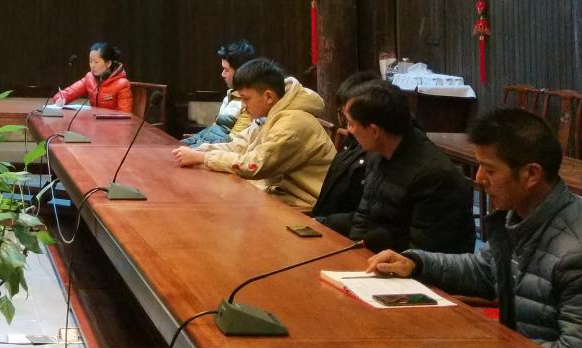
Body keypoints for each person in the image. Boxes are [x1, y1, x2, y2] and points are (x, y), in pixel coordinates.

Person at [366, 108, 582, 348]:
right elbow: (486, 269)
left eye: (490, 169)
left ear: (531, 174)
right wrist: (416, 263)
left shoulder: (572, 252)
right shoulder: (520, 215)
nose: (479, 178)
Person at [173, 58, 334, 210]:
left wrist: (203, 158)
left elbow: (254, 165)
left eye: (246, 99)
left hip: (303, 207)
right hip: (277, 195)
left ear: (268, 96)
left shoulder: (292, 123)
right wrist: (200, 151)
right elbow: (239, 145)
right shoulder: (271, 112)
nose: (243, 106)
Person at [335, 80, 474, 253]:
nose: (349, 130)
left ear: (374, 131)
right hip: (375, 259)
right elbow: (363, 217)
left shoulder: (434, 176)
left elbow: (423, 253)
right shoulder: (377, 154)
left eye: (351, 123)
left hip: (408, 265)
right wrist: (355, 254)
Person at [310, 69, 379, 229]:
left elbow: (369, 217)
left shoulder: (376, 150)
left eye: (348, 119)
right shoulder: (354, 140)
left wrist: (322, 222)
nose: (347, 126)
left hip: (342, 232)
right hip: (327, 224)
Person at [180, 39, 256, 146]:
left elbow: (232, 144)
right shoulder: (231, 95)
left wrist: (193, 149)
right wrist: (186, 143)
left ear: (241, 72)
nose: (222, 74)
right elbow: (213, 131)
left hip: (213, 153)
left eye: (226, 70)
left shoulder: (250, 103)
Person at [53, 42, 132, 114]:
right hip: (94, 122)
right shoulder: (89, 78)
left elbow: (125, 116)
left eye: (96, 62)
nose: (92, 65)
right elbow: (70, 92)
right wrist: (61, 98)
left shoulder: (122, 84)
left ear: (108, 63)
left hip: (113, 124)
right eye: (90, 62)